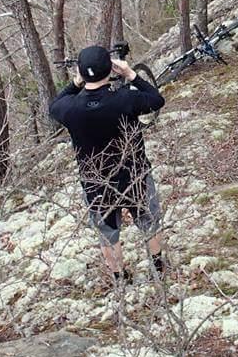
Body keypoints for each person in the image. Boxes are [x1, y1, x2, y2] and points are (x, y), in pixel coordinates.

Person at [49, 45, 166, 285]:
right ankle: (158, 269)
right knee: (148, 221)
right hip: (134, 175)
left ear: (81, 72)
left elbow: (54, 106)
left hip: (96, 183)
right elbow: (156, 100)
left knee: (108, 233)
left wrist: (76, 83)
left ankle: (119, 278)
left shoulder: (70, 108)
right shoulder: (125, 99)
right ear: (110, 69)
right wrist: (131, 75)